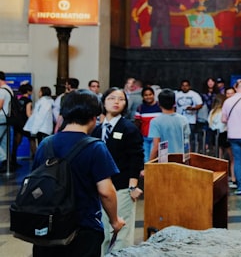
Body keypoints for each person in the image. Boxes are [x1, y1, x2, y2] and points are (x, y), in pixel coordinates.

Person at [32, 89, 125, 256]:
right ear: (93, 117)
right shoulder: (95, 147)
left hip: (47, 225)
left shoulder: (46, 143)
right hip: (83, 228)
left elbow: (35, 182)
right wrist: (115, 221)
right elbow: (106, 192)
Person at [92, 87, 143, 253]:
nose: (116, 102)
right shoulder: (97, 129)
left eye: (121, 99)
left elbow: (136, 157)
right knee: (103, 229)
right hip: (99, 186)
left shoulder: (129, 128)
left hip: (121, 186)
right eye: (112, 98)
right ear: (104, 101)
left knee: (121, 231)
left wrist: (133, 185)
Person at [148, 89, 190, 157]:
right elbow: (187, 143)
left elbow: (156, 147)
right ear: (174, 103)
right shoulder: (183, 119)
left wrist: (149, 164)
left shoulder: (155, 122)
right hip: (181, 160)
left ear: (159, 103)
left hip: (164, 160)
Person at [24, 85, 55, 158]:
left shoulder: (44, 102)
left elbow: (40, 117)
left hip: (42, 128)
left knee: (43, 148)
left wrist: (34, 130)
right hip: (44, 128)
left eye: (39, 91)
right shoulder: (47, 102)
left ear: (42, 92)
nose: (38, 93)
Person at [134, 86, 161, 162]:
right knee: (146, 159)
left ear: (153, 95)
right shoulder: (140, 108)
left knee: (154, 158)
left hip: (157, 138)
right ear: (143, 97)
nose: (148, 97)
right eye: (146, 95)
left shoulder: (160, 106)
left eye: (150, 94)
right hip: (145, 137)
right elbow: (137, 123)